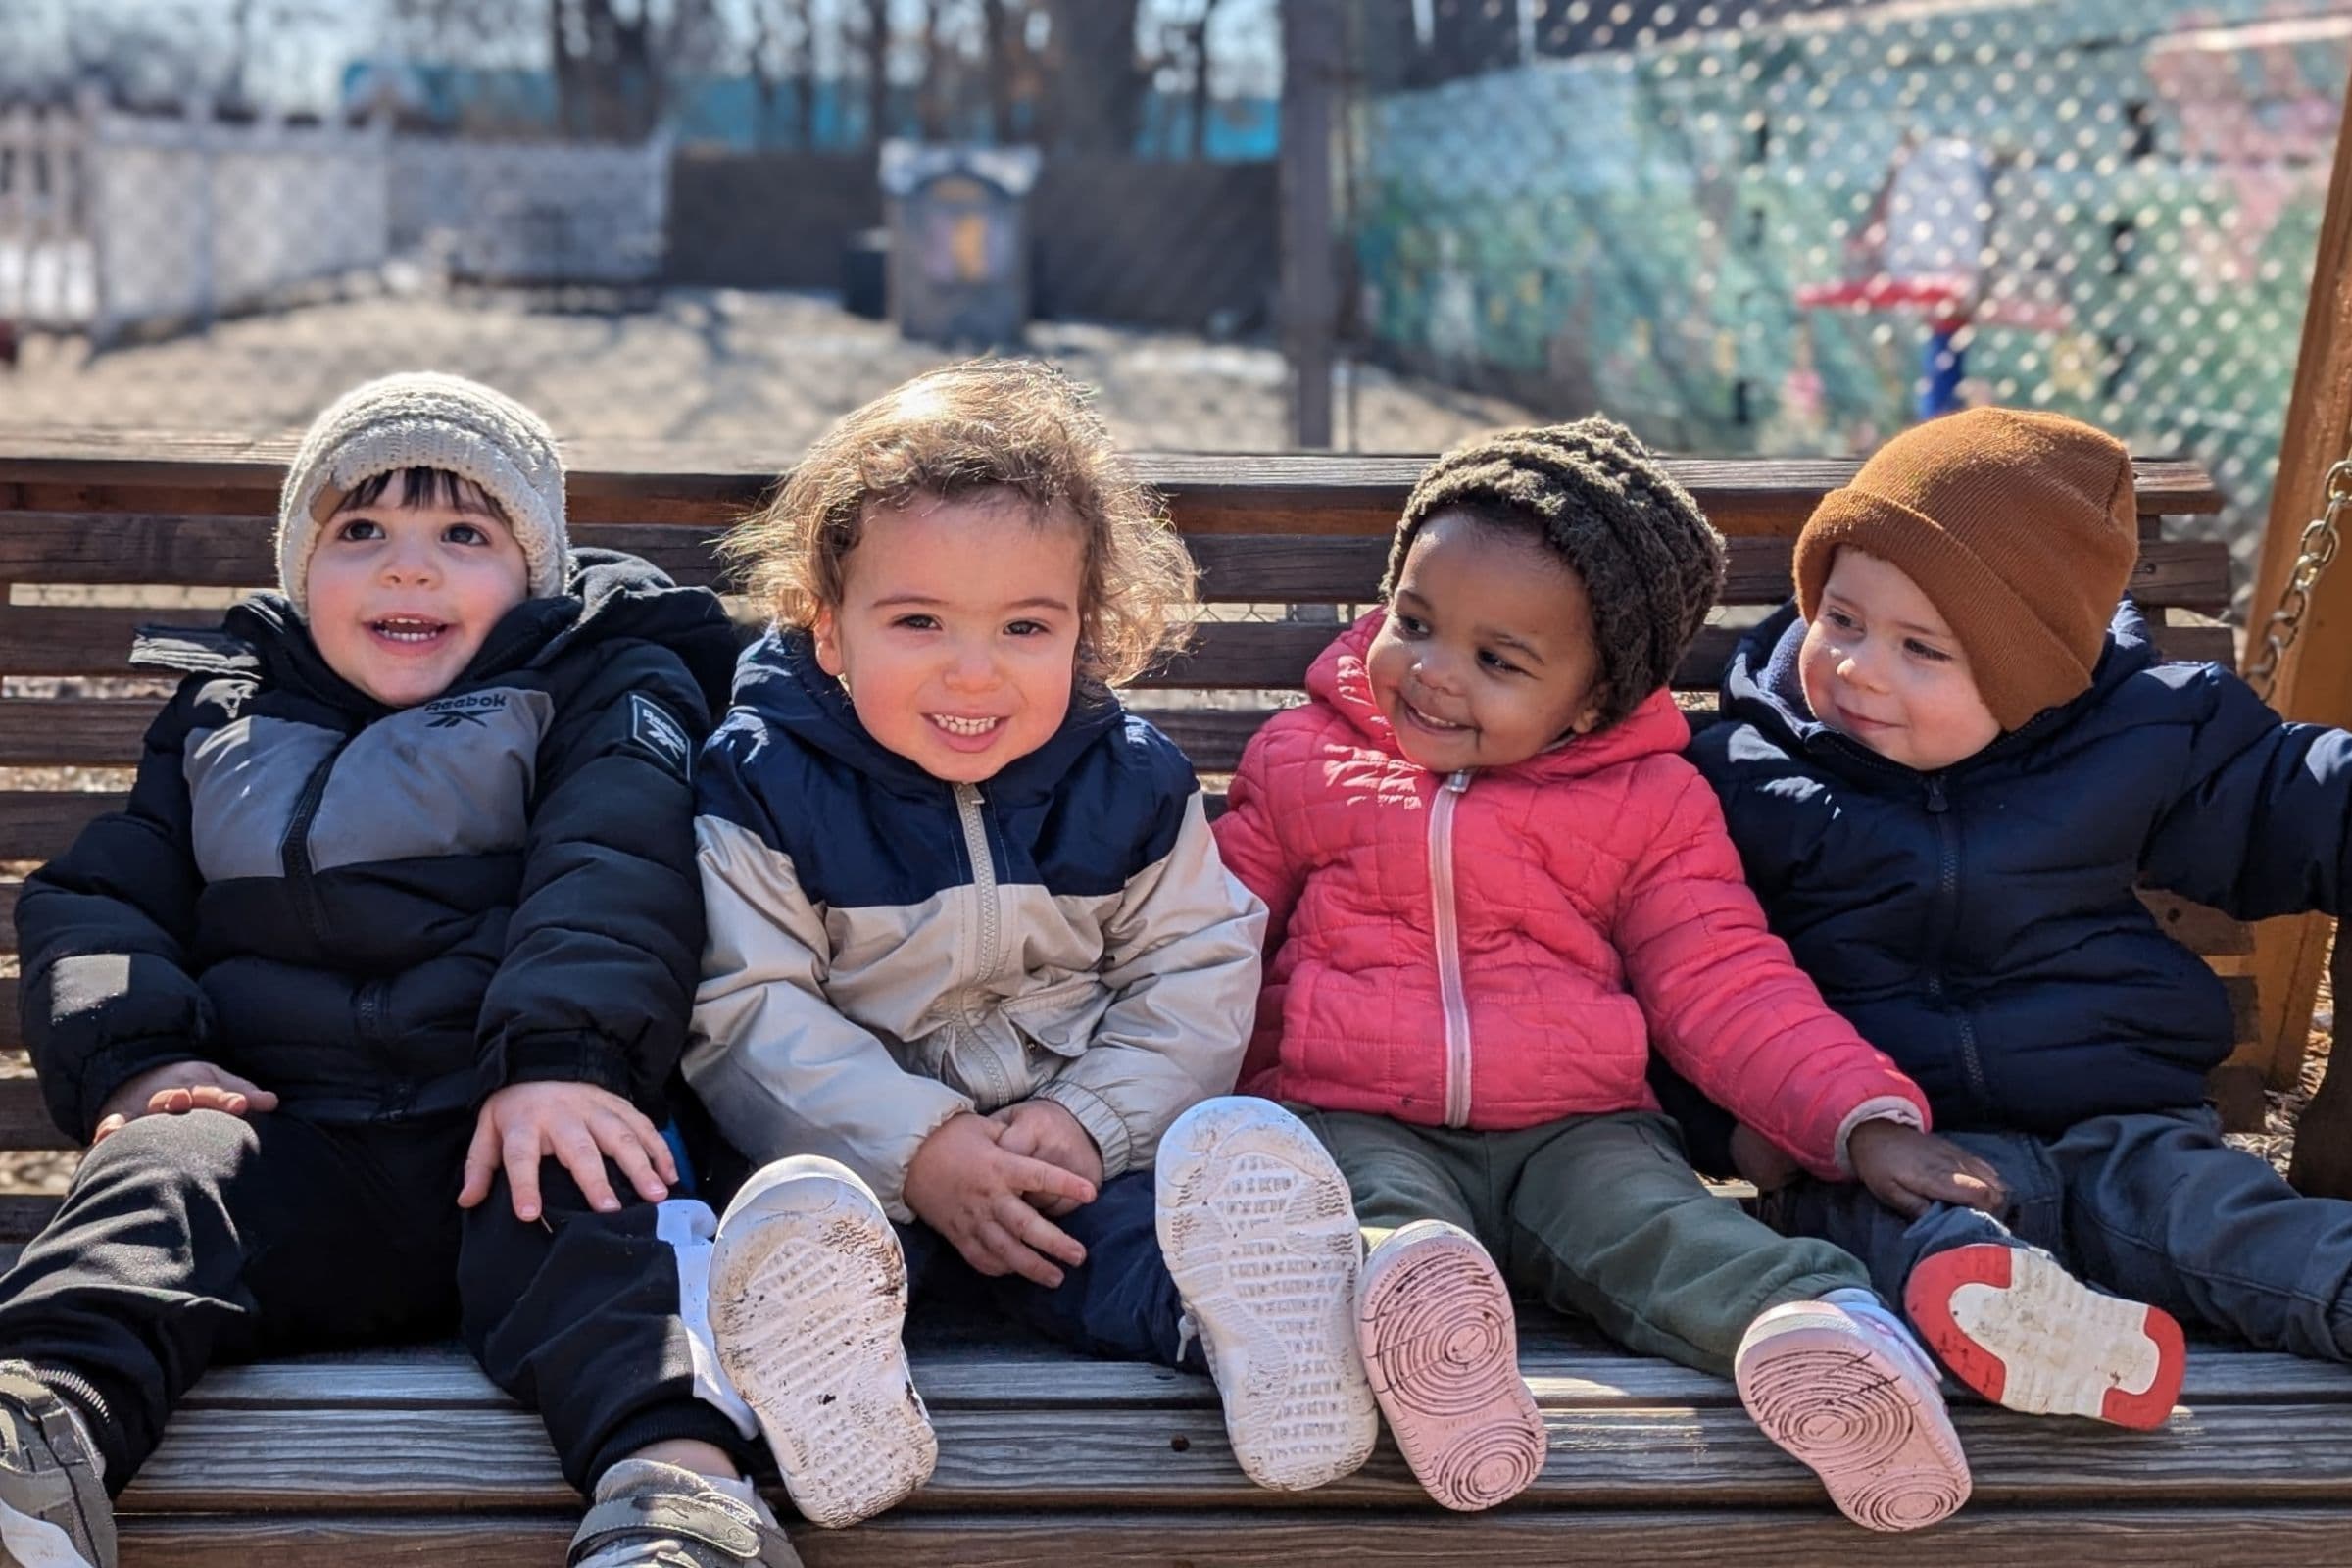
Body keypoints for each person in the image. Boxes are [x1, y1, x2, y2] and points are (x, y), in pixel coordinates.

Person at [0, 373, 801, 1568]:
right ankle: (39, 1433)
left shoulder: (595, 686)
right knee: (164, 1172)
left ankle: (674, 1499)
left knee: (609, 1208)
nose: (406, 569)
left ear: (533, 572)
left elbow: (612, 866)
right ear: (298, 569)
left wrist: (562, 1062)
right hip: (292, 1150)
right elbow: (102, 896)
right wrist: (143, 1056)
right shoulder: (226, 714)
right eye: (359, 531)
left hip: (510, 1124)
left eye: (463, 535)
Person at [1213, 418, 1990, 1532]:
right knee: (1374, 1220)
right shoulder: (1302, 760)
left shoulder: (1650, 803)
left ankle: (1824, 1341)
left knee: (1667, 1229)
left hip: (1580, 1128)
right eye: (1415, 622)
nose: (1430, 673)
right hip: (1355, 1110)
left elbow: (1725, 978)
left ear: (1592, 699)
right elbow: (1214, 949)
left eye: (1497, 660)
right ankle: (1440, 1356)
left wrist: (1861, 1119)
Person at [684, 361, 1379, 1531]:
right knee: (793, 1240)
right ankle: (831, 1383)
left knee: (1132, 1241)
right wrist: (923, 1149)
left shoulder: (1130, 781)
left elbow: (1197, 969)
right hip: (850, 1171)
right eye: (918, 622)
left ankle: (1259, 1339)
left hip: (1063, 1168)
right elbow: (748, 1008)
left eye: (1025, 626)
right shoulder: (762, 782)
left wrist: (1094, 1120)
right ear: (831, 631)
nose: (974, 669)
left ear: (1086, 631)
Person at [1681, 406, 2352, 1432]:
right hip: (1890, 1145)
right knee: (1878, 1238)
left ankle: (2332, 1292)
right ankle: (2017, 1320)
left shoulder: (2142, 738)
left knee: (2230, 1226)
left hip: (2120, 1127)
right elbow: (1677, 962)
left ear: (2028, 674)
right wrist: (1733, 1125)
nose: (1859, 668)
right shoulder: (1749, 776)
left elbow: (2287, 800)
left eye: (1923, 650)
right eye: (1843, 620)